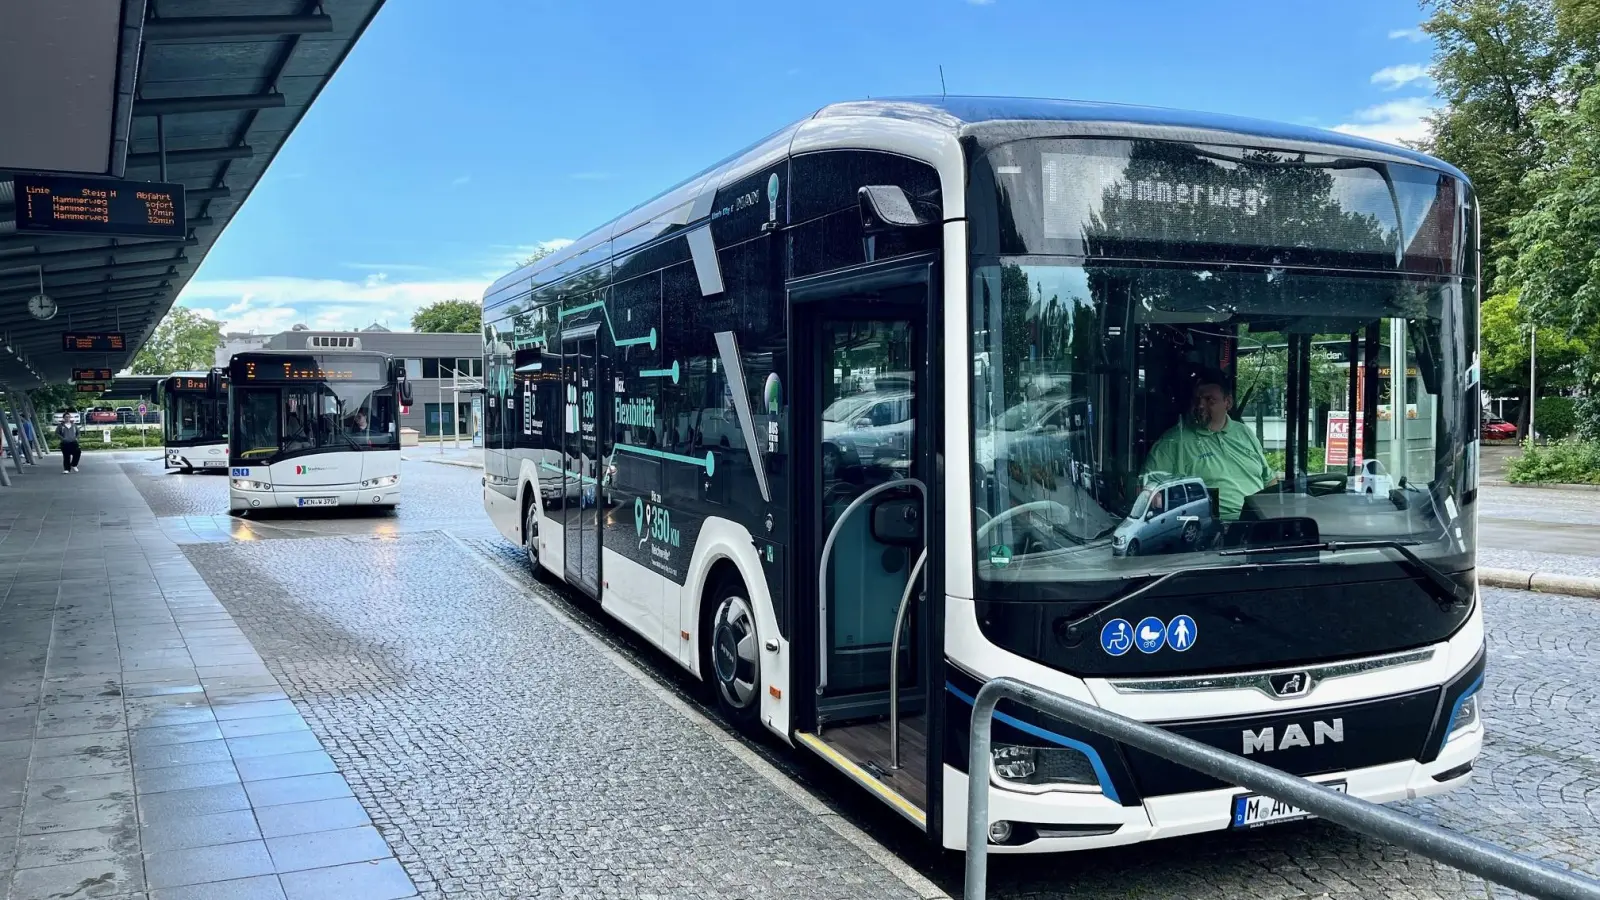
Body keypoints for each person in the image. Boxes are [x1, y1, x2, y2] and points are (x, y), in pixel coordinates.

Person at [1141, 370, 1274, 520]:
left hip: (1260, 523)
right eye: (1197, 400)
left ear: (1228, 402)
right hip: (1214, 527)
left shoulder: (1244, 433)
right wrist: (1152, 493)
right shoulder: (1173, 441)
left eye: (1209, 400)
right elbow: (1149, 485)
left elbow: (1269, 480)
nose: (1200, 405)